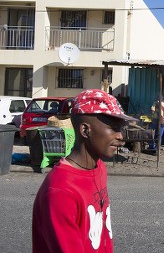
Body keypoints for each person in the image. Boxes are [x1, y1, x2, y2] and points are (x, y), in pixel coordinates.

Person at [32, 89, 135, 252]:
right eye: (114, 128)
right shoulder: (60, 191)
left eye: (120, 128)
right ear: (85, 130)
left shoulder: (99, 167)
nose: (121, 136)